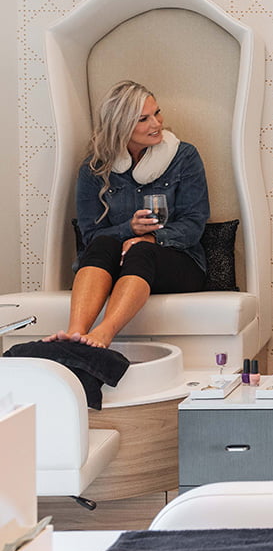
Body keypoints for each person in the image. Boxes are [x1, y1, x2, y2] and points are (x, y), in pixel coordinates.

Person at [42, 80, 210, 349]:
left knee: (141, 251)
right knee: (102, 244)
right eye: (143, 119)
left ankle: (102, 335)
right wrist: (129, 229)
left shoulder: (184, 156)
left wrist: (151, 239)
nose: (157, 123)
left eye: (156, 113)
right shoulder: (94, 168)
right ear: (119, 125)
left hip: (177, 261)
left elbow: (194, 223)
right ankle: (75, 336)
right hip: (115, 262)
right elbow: (90, 235)